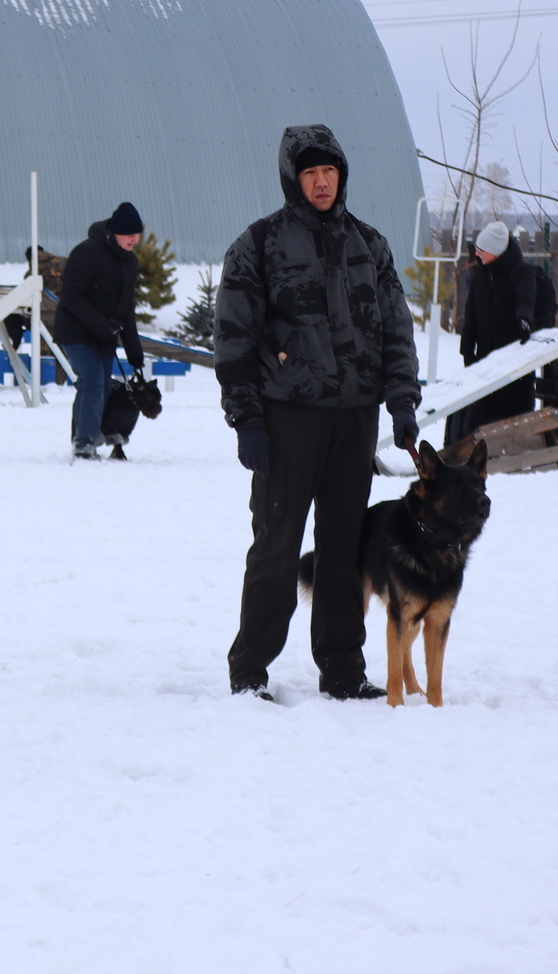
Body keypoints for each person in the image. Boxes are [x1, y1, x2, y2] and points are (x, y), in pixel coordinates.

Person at [215, 124, 420, 702]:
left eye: (329, 171)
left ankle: (342, 669)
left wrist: (401, 400)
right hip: (287, 422)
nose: (322, 182)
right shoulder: (259, 246)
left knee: (342, 548)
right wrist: (247, 419)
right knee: (277, 547)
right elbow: (233, 340)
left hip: (354, 420)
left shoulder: (370, 245)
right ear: (292, 179)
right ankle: (250, 669)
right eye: (310, 173)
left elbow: (395, 329)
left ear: (342, 175)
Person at [53, 203, 149, 460]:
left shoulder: (129, 261)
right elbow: (71, 297)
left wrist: (134, 352)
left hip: (104, 335)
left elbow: (126, 308)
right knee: (93, 382)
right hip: (75, 332)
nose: (134, 238)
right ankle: (83, 444)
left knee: (103, 386)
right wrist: (101, 325)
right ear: (115, 231)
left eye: (137, 233)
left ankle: (89, 436)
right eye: (129, 233)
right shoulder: (87, 254)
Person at [446, 220, 554, 441]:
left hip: (516, 358)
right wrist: (467, 350)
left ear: (496, 251)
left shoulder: (522, 272)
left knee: (515, 411)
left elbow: (526, 300)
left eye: (482, 250)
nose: (477, 254)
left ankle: (519, 452)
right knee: (484, 414)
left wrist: (524, 322)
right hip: (485, 359)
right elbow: (471, 315)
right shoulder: (480, 276)